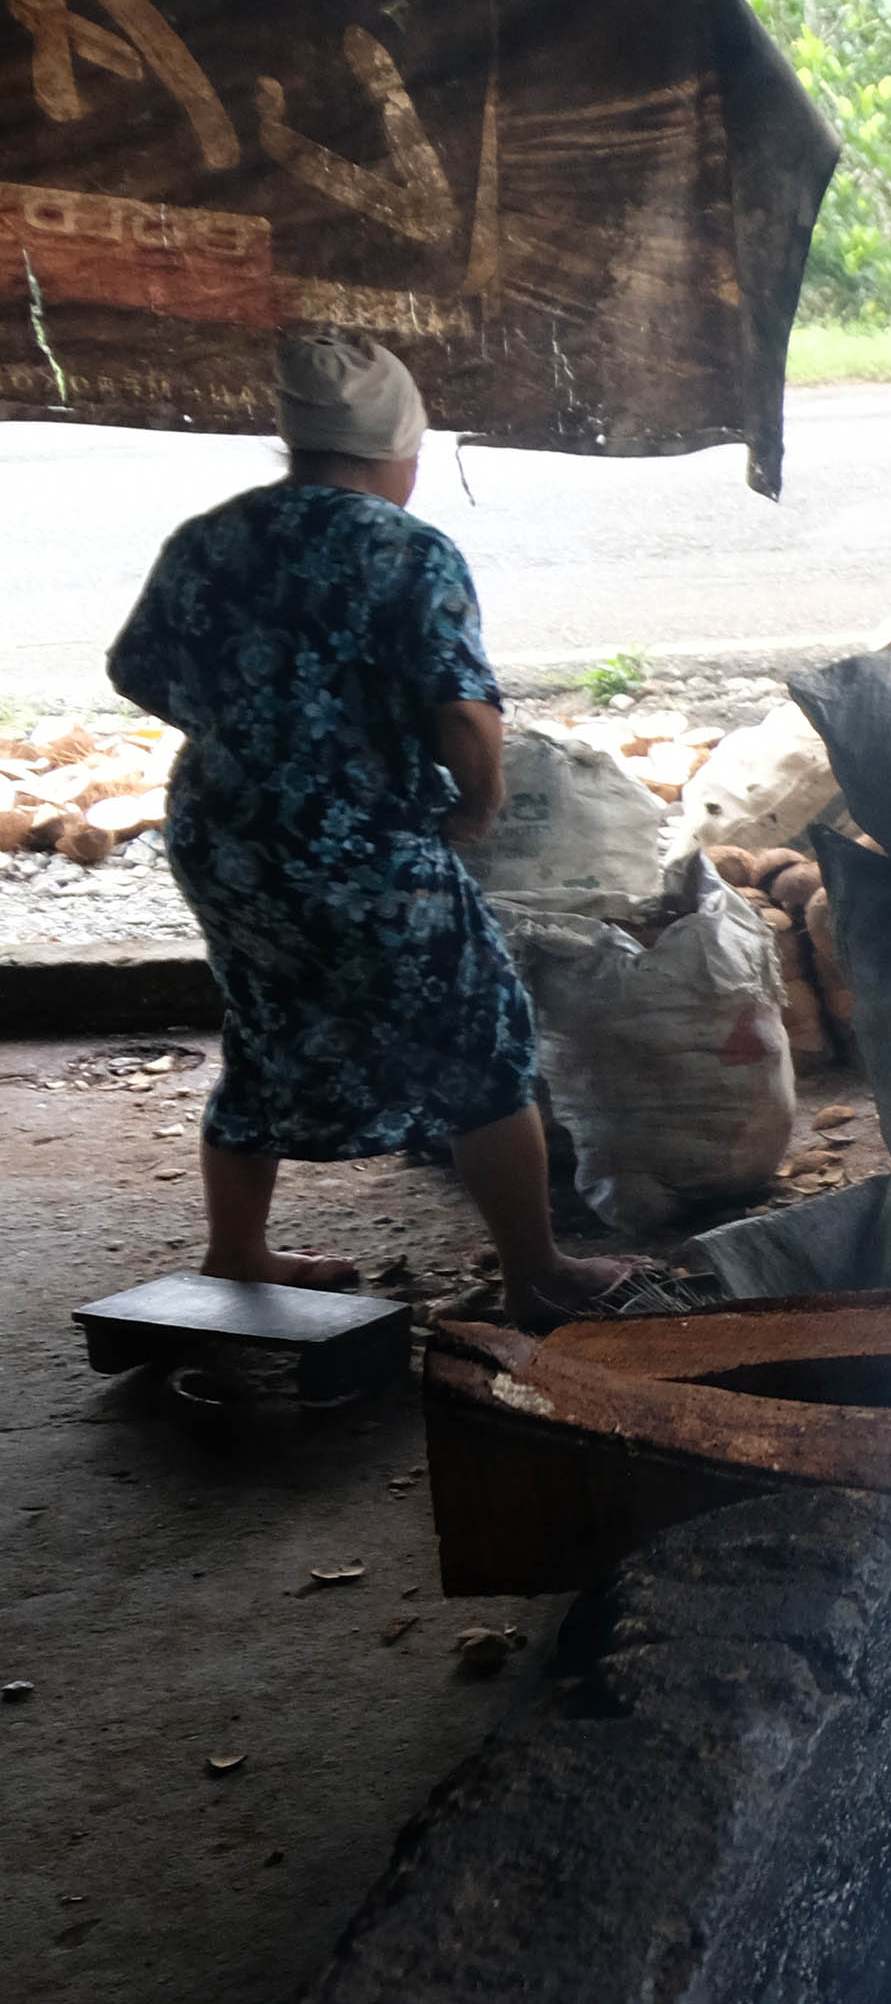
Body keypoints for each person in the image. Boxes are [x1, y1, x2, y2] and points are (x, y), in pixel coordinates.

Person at [107, 330, 660, 1321]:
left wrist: (253, 736)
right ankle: (538, 1270)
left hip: (224, 840)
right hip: (363, 849)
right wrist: (478, 802)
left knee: (265, 1026)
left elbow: (138, 668)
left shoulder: (214, 538)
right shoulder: (407, 551)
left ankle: (236, 1252)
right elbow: (460, 709)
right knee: (481, 1036)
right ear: (398, 448)